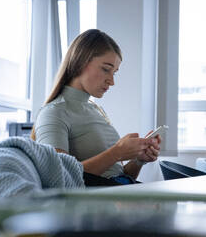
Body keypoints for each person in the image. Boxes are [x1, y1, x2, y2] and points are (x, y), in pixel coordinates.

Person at [31, 29, 161, 185]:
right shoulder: (53, 113)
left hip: (120, 193)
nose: (112, 81)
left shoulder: (96, 110)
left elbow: (117, 176)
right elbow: (58, 178)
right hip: (99, 205)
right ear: (80, 61)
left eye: (114, 72)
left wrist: (139, 160)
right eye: (106, 69)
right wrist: (117, 152)